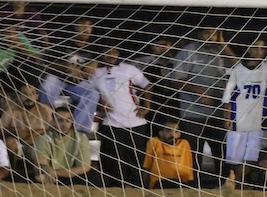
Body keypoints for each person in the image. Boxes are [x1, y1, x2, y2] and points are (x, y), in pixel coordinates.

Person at [174, 27, 238, 186]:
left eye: (214, 33)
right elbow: (176, 79)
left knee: (221, 152)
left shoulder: (222, 51)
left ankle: (224, 186)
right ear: (199, 34)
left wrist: (223, 45)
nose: (210, 37)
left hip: (218, 112)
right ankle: (192, 188)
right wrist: (199, 91)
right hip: (192, 112)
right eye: (207, 33)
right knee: (193, 153)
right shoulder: (188, 51)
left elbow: (240, 68)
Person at [222, 37, 267, 189]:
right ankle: (233, 183)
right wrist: (227, 117)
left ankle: (238, 185)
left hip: (260, 122)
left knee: (253, 157)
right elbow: (227, 98)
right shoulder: (238, 70)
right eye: (255, 47)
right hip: (238, 121)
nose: (259, 51)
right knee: (234, 158)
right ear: (248, 49)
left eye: (262, 48)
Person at [90, 45, 152, 187]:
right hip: (110, 122)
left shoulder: (128, 69)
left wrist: (146, 106)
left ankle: (138, 189)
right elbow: (89, 90)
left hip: (135, 121)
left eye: (114, 52)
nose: (111, 54)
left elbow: (147, 85)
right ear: (102, 54)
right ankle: (118, 190)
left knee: (136, 159)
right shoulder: (95, 72)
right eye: (107, 52)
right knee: (114, 160)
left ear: (118, 53)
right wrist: (100, 102)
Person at [33, 106, 93, 184]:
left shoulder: (81, 138)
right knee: (39, 177)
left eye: (68, 120)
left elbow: (84, 167)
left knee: (95, 177)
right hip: (52, 177)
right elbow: (41, 162)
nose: (64, 125)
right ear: (53, 122)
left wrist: (55, 172)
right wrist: (47, 169)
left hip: (71, 176)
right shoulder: (44, 138)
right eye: (60, 120)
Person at [143, 117, 195, 189]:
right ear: (161, 133)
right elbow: (147, 167)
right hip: (160, 182)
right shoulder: (154, 142)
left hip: (180, 182)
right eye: (168, 130)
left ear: (179, 134)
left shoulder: (184, 144)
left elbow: (189, 169)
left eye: (176, 131)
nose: (172, 135)